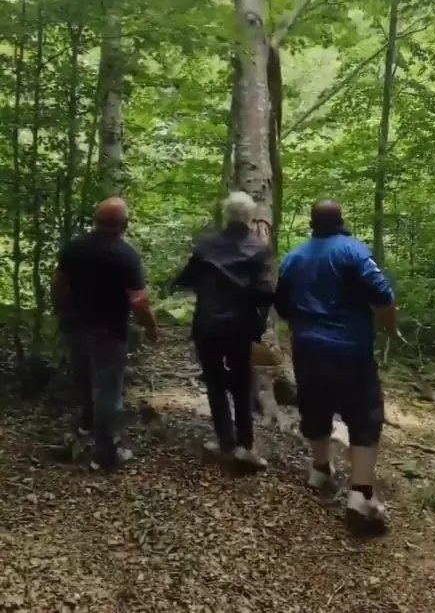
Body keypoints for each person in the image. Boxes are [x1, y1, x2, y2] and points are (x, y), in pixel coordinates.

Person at [275, 200, 401, 533]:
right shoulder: (353, 251)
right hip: (350, 350)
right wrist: (390, 328)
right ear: (341, 220)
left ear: (311, 222)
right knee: (365, 415)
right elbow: (384, 297)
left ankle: (320, 470)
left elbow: (282, 305)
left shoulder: (293, 257)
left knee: (314, 406)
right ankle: (361, 496)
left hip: (307, 347)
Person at [52, 197, 158, 471]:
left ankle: (85, 433)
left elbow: (59, 283)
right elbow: (139, 302)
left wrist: (63, 312)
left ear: (96, 221)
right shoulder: (125, 255)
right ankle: (107, 454)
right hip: (108, 331)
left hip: (76, 326)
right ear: (124, 224)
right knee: (107, 392)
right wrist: (151, 328)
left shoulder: (74, 248)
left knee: (85, 383)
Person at [174, 191, 274, 469]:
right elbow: (266, 291)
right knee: (242, 382)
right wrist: (259, 323)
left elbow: (185, 279)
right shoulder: (259, 249)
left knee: (215, 382)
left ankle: (225, 442)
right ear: (250, 216)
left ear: (227, 214)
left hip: (207, 324)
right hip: (240, 326)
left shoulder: (206, 246)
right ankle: (245, 446)